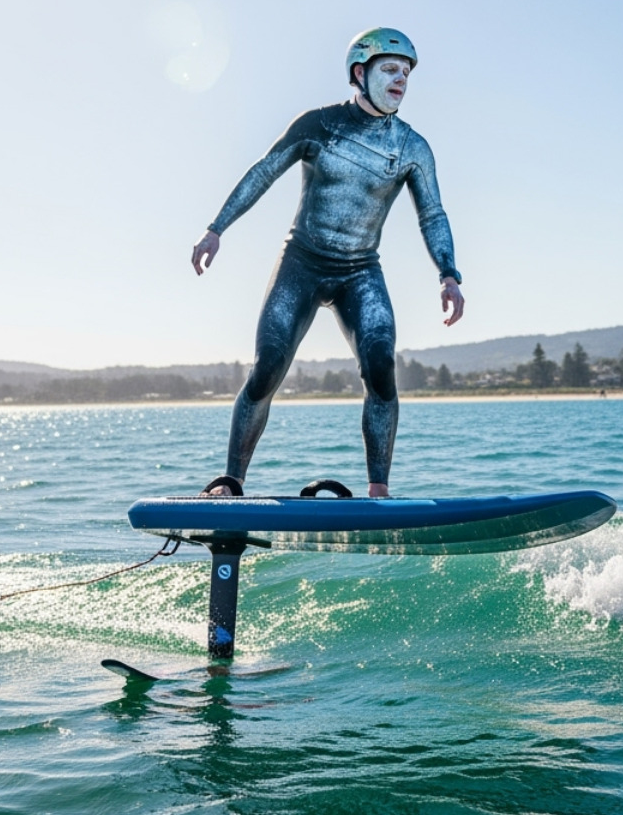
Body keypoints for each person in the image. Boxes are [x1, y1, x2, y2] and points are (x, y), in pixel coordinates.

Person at [191, 28, 465, 498]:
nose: (401, 80)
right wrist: (217, 227)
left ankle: (378, 491)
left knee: (381, 365)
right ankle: (231, 482)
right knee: (269, 366)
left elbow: (432, 214)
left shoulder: (411, 147)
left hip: (360, 270)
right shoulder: (319, 125)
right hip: (301, 261)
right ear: (360, 73)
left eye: (406, 73)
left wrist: (448, 274)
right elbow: (264, 169)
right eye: (390, 70)